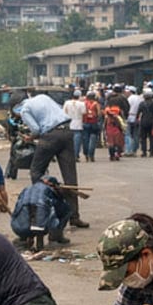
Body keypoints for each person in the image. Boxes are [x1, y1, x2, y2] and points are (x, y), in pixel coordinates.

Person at [19, 91, 87, 228]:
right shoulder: (43, 97)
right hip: (66, 131)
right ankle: (74, 216)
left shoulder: (24, 109)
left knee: (36, 172)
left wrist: (30, 138)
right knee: (70, 177)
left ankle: (40, 212)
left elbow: (36, 130)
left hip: (50, 136)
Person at [10, 176, 71, 250]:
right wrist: (60, 194)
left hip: (19, 226)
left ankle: (24, 239)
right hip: (40, 227)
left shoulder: (26, 189)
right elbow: (59, 206)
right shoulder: (48, 190)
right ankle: (55, 236)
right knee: (66, 210)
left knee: (29, 212)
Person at [62, 89, 86, 162]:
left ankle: (68, 155)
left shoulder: (67, 102)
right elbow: (84, 112)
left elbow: (64, 112)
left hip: (69, 124)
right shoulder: (82, 104)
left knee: (68, 142)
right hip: (78, 124)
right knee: (77, 142)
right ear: (79, 96)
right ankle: (75, 155)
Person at [137, 88, 153, 157]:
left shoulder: (142, 103)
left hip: (143, 121)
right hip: (152, 121)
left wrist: (137, 118)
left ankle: (144, 152)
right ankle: (151, 152)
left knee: (143, 137)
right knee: (152, 137)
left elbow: (138, 112)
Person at [81, 92, 101, 161]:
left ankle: (86, 154)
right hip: (94, 123)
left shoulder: (84, 103)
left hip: (85, 122)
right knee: (93, 139)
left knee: (85, 139)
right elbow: (99, 113)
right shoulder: (96, 104)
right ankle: (91, 155)